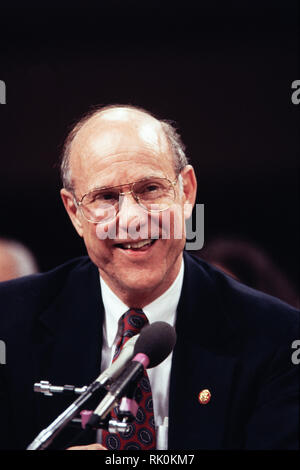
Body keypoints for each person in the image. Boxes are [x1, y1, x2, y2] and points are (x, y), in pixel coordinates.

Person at [0, 104, 299, 450]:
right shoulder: (9, 324)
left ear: (186, 192)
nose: (132, 219)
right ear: (74, 212)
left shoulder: (278, 340)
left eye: (150, 189)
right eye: (106, 197)